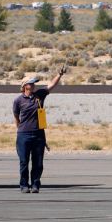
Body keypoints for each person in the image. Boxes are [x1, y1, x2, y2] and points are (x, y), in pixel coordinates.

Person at [13, 65, 67, 193]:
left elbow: (51, 85)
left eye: (34, 83)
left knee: (38, 162)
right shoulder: (18, 100)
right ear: (25, 86)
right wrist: (20, 129)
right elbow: (16, 116)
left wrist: (59, 75)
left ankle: (36, 184)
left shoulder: (39, 96)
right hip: (23, 135)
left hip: (38, 134)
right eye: (31, 84)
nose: (33, 85)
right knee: (24, 162)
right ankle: (24, 185)